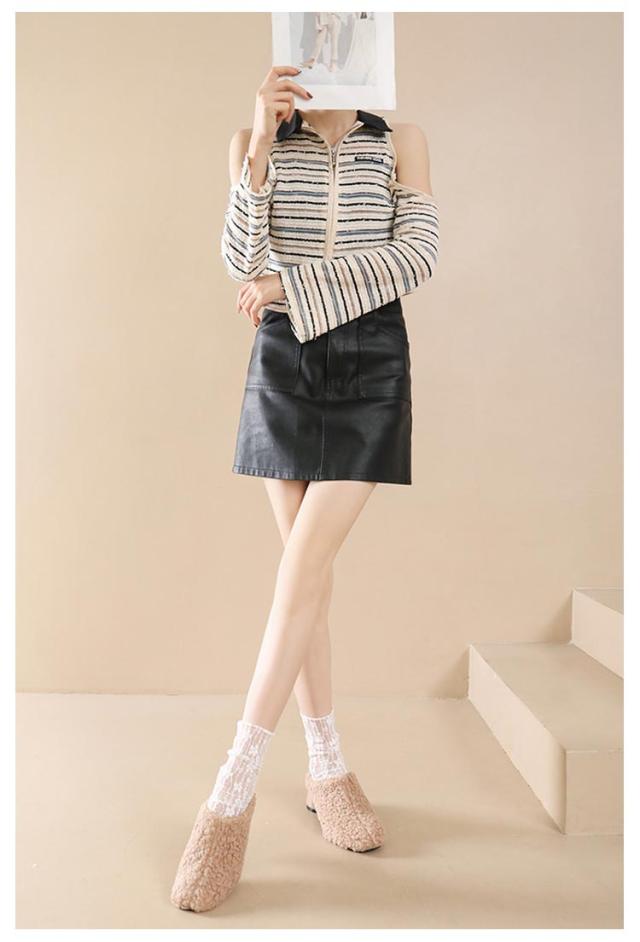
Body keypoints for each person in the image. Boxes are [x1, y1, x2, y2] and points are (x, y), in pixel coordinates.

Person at [170, 64, 439, 913]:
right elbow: (240, 261)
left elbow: (416, 256)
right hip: (284, 362)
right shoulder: (252, 143)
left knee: (302, 571)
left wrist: (290, 285)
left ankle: (232, 789)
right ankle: (328, 768)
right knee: (305, 577)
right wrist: (257, 142)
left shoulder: (400, 142)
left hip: (372, 359)